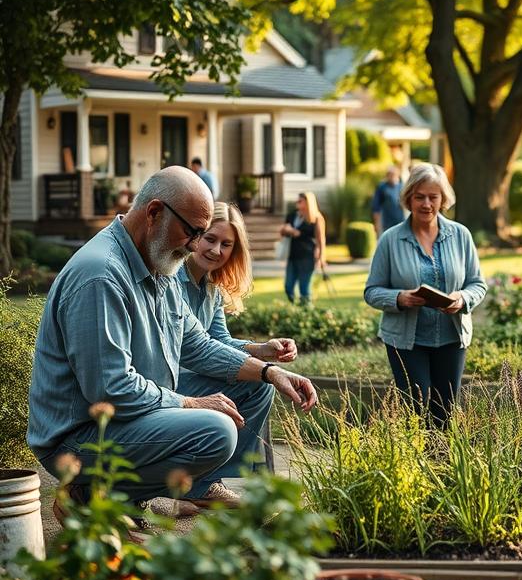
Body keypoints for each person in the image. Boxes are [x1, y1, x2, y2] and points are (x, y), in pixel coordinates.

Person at [27, 166, 318, 519]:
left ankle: (118, 499)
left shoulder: (157, 265)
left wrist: (270, 371)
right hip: (77, 438)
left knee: (247, 395)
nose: (197, 245)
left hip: (125, 421)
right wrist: (190, 403)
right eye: (193, 232)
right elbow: (110, 388)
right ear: (154, 212)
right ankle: (88, 493)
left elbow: (198, 344)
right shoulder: (101, 275)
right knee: (215, 431)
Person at [364, 163, 487, 426]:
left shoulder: (460, 235)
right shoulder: (390, 239)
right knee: (415, 411)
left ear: (444, 199)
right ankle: (414, 464)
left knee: (445, 412)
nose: (426, 204)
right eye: (419, 196)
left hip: (451, 339)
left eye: (433, 196)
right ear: (408, 198)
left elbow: (478, 284)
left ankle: (442, 464)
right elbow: (372, 291)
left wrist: (462, 299)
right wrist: (399, 298)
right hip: (406, 342)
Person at [179, 201, 298, 363]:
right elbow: (195, 346)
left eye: (226, 244)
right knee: (260, 379)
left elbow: (221, 340)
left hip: (196, 372)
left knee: (260, 383)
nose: (216, 250)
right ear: (196, 235)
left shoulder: (214, 288)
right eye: (210, 239)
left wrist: (263, 349)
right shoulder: (173, 279)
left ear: (234, 251)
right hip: (169, 378)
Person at [280, 191, 327, 304]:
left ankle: (306, 312)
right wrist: (287, 231)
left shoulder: (316, 218)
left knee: (304, 289)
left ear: (308, 202)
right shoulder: (292, 216)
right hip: (293, 255)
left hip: (307, 257)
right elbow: (283, 231)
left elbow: (320, 239)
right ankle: (295, 308)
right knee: (288, 287)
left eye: (300, 201)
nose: (297, 203)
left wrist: (321, 257)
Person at [371, 165, 405, 236]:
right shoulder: (382, 187)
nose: (392, 177)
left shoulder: (402, 186)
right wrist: (377, 224)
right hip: (386, 223)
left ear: (397, 175)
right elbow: (376, 207)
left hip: (401, 221)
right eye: (389, 175)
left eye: (393, 175)